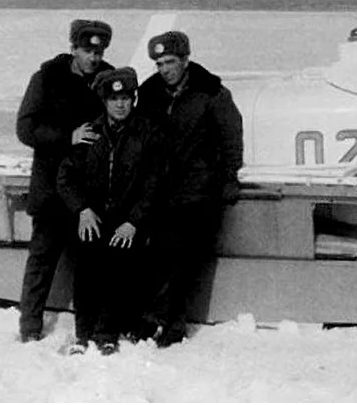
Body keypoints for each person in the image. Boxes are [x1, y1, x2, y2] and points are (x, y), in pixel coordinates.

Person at [137, 30, 244, 346]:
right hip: (159, 191)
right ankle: (152, 317)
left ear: (185, 60)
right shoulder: (150, 93)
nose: (164, 69)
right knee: (156, 256)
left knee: (182, 260)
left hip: (198, 192)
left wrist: (228, 180)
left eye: (170, 62)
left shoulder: (211, 93)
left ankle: (173, 323)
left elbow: (231, 140)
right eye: (159, 64)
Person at [13, 18, 112, 342]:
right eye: (87, 51)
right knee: (42, 262)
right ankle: (29, 329)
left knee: (90, 266)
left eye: (98, 52)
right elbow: (26, 128)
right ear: (73, 48)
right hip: (52, 189)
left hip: (88, 192)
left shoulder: (108, 78)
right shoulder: (47, 78)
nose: (94, 59)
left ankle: (88, 331)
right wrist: (66, 137)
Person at [57, 66, 168, 355]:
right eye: (114, 99)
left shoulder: (147, 134)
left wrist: (134, 221)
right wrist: (81, 209)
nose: (120, 104)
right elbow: (66, 177)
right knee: (86, 269)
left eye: (126, 98)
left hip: (128, 221)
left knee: (117, 269)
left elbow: (154, 184)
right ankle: (83, 334)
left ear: (133, 100)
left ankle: (106, 334)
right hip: (93, 216)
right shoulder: (90, 133)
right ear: (105, 101)